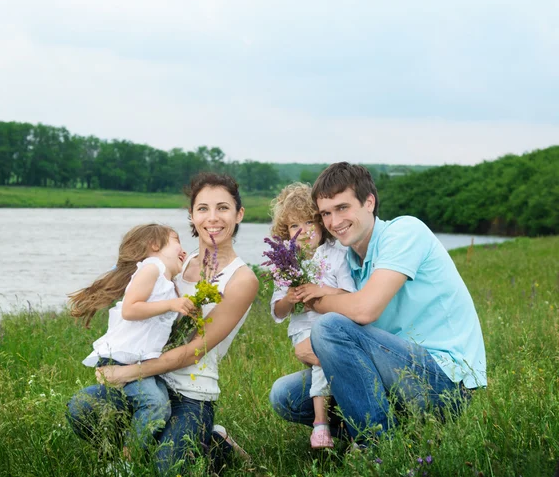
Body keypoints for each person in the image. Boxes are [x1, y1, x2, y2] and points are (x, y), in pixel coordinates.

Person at [269, 162, 487, 445]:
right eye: (326, 213)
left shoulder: (404, 232)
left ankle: (376, 446)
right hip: (387, 373)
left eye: (342, 208)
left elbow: (364, 310)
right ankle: (402, 431)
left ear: (369, 202)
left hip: (444, 380)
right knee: (285, 396)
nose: (334, 222)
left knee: (329, 326)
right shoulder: (346, 259)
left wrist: (316, 302)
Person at [67, 173, 259, 474]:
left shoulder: (242, 279)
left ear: (239, 214)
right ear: (192, 216)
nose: (213, 218)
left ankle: (214, 445)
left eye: (223, 208)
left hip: (190, 392)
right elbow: (136, 292)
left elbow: (193, 350)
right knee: (82, 407)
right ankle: (133, 455)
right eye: (203, 209)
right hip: (150, 384)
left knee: (168, 467)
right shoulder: (176, 262)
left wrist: (127, 372)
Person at [68, 223, 193, 459]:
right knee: (154, 405)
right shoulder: (151, 267)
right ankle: (129, 459)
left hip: (138, 359)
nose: (183, 249)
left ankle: (129, 449)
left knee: (161, 406)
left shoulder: (169, 282)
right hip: (122, 357)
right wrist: (172, 304)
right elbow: (130, 309)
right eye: (177, 241)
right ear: (155, 245)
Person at [268, 183, 355, 448]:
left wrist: (321, 291)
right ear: (286, 232)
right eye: (294, 226)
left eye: (309, 222)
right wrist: (289, 299)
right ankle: (324, 424)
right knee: (321, 361)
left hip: (334, 325)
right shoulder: (286, 263)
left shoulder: (337, 254)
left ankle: (338, 426)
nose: (303, 232)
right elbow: (277, 311)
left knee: (327, 363)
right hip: (303, 330)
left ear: (321, 223)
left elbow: (348, 294)